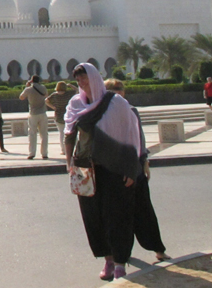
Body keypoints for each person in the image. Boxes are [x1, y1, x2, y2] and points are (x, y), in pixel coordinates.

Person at [65, 63, 141, 282]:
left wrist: (131, 167)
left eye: (85, 79)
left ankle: (119, 263)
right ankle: (108, 259)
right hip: (85, 168)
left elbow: (130, 135)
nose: (82, 84)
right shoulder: (75, 104)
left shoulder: (116, 103)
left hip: (113, 168)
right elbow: (68, 134)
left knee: (117, 215)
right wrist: (69, 163)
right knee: (93, 217)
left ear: (96, 79)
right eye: (79, 81)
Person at [105, 78, 170, 263]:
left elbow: (139, 138)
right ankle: (120, 255)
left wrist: (144, 162)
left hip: (135, 169)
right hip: (114, 171)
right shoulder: (103, 114)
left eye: (120, 89)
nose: (117, 92)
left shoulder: (131, 110)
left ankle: (158, 249)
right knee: (118, 216)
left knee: (144, 210)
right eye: (112, 89)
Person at [20, 75, 49, 159]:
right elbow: (46, 95)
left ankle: (32, 153)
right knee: (44, 134)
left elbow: (21, 97)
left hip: (33, 113)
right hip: (43, 112)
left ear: (31, 81)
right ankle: (44, 153)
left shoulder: (28, 89)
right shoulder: (43, 88)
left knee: (32, 134)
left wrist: (27, 86)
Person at [46, 81, 77, 155]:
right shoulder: (68, 94)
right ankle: (73, 148)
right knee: (71, 132)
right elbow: (77, 90)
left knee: (61, 133)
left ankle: (63, 150)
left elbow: (46, 101)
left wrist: (53, 107)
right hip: (68, 115)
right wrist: (70, 85)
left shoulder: (54, 95)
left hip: (58, 115)